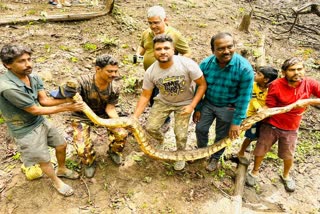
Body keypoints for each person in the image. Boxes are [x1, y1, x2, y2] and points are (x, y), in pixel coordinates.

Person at [0, 44, 85, 197]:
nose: (28, 64)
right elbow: (35, 109)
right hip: (24, 129)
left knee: (61, 144)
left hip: (38, 120)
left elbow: (44, 101)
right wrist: (68, 107)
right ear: (7, 65)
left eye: (29, 59)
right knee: (43, 159)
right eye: (21, 61)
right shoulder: (8, 88)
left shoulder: (33, 77)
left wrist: (67, 100)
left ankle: (62, 169)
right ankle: (56, 181)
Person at [133, 34, 207, 171]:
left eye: (166, 48)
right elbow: (145, 95)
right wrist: (134, 117)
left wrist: (192, 106)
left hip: (185, 102)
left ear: (173, 50)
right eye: (158, 49)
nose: (162, 51)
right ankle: (161, 140)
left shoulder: (187, 64)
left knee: (181, 134)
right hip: (164, 101)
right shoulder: (151, 72)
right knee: (150, 127)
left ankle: (180, 154)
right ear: (153, 52)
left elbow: (202, 85)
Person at [246, 57, 320, 192]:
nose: (297, 73)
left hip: (291, 127)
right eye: (292, 70)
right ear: (284, 72)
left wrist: (307, 102)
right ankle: (254, 172)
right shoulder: (276, 85)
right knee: (261, 149)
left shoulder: (310, 83)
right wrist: (260, 112)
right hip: (272, 124)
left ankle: (286, 176)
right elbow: (269, 106)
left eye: (300, 69)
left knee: (288, 154)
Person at [51, 54, 128, 178]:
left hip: (103, 114)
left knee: (122, 133)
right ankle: (89, 162)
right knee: (81, 146)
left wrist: (118, 122)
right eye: (110, 71)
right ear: (98, 69)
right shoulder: (82, 82)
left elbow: (110, 108)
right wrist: (68, 89)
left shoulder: (114, 88)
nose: (114, 74)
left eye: (115, 71)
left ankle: (114, 152)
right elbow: (67, 88)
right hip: (82, 115)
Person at [193, 32, 254, 172]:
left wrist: (236, 122)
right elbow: (199, 88)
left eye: (230, 46)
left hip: (229, 108)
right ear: (213, 50)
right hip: (208, 103)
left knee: (221, 135)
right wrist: (198, 108)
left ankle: (215, 157)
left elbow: (244, 97)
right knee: (200, 129)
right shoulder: (205, 64)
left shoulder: (244, 68)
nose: (226, 51)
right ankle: (201, 152)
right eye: (220, 48)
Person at [137, 5, 192, 130]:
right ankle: (158, 120)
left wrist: (178, 67)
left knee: (160, 100)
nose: (153, 26)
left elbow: (187, 52)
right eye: (150, 23)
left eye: (156, 22)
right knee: (151, 98)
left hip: (166, 77)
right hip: (150, 75)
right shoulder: (146, 33)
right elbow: (142, 46)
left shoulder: (174, 34)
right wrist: (137, 55)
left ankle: (164, 123)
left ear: (165, 20)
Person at [237, 66, 278, 163]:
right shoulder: (253, 85)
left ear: (266, 80)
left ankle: (251, 147)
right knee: (250, 135)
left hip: (265, 117)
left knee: (259, 135)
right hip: (253, 115)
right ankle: (241, 152)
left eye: (259, 74)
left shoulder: (272, 89)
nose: (255, 75)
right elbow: (253, 100)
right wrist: (259, 110)